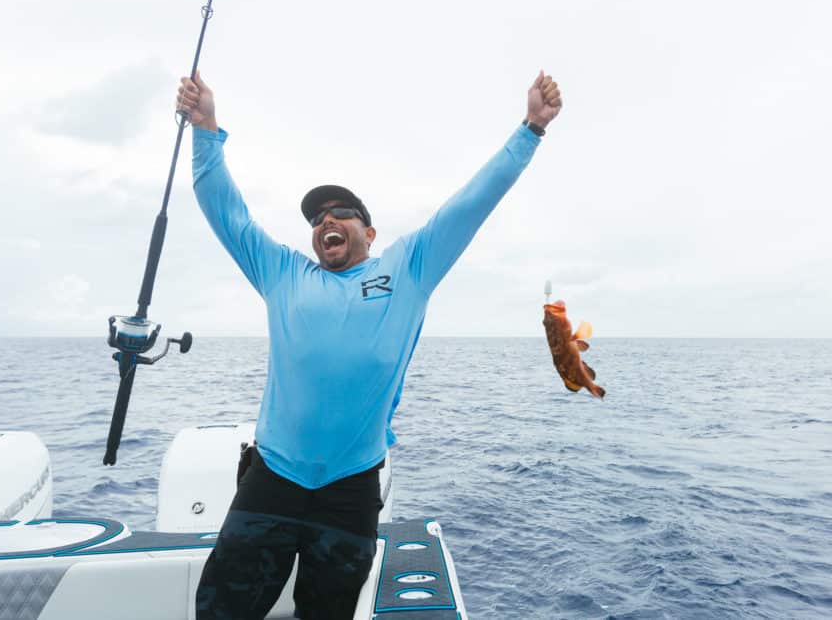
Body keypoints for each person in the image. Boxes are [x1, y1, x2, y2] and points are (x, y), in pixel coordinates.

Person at [176, 69, 562, 619]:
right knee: (220, 610)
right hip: (272, 478)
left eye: (340, 214)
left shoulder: (410, 268)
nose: (324, 222)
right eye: (316, 219)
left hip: (350, 489)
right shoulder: (283, 272)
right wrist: (206, 127)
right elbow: (224, 209)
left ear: (370, 233)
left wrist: (530, 129)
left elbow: (472, 202)